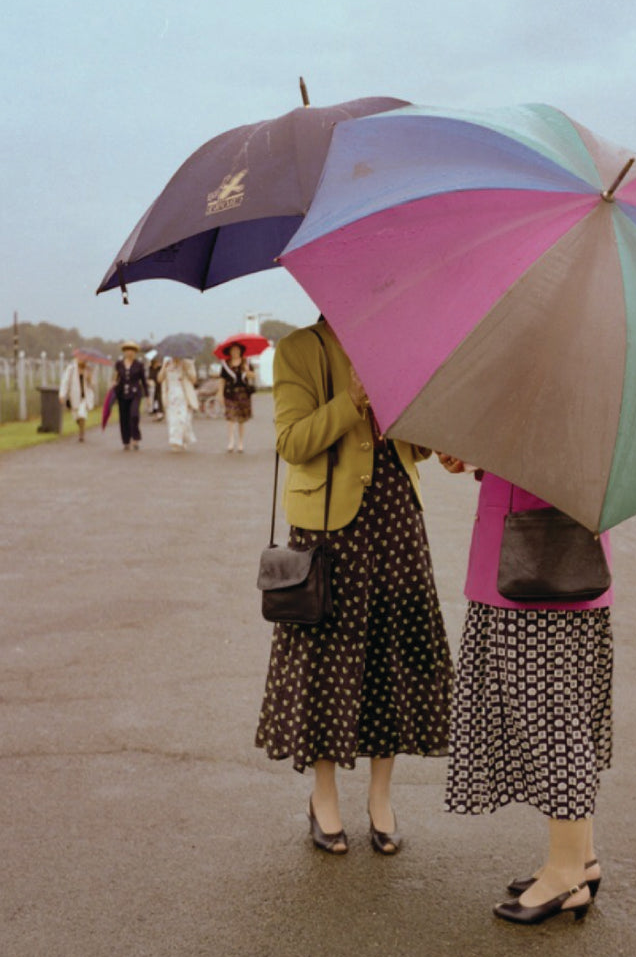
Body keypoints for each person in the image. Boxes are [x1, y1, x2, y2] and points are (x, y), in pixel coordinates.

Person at [254, 320, 452, 856]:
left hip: (396, 521)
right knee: (326, 663)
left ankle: (381, 797)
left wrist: (421, 418)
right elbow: (292, 442)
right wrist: (352, 401)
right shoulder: (300, 350)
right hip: (329, 532)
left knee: (394, 657)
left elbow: (417, 447)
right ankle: (323, 797)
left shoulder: (396, 343)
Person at [440, 458, 614, 925]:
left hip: (540, 571)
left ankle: (566, 878)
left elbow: (553, 456)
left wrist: (489, 454)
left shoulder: (564, 409)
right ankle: (580, 859)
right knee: (564, 719)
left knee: (556, 727)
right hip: (535, 562)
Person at [218, 343, 256, 453]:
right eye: (233, 350)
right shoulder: (226, 364)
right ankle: (231, 441)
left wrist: (246, 370)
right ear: (229, 352)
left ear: (240, 351)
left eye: (237, 350)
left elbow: (253, 376)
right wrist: (220, 393)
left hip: (243, 394)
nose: (235, 352)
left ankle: (240, 442)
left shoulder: (246, 362)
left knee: (241, 420)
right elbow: (222, 380)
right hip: (230, 393)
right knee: (230, 418)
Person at [112, 341, 148, 451]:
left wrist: (147, 396)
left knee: (134, 415)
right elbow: (115, 377)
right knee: (124, 417)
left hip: (135, 393)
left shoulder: (139, 365)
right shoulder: (119, 364)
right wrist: (113, 383)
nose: (129, 352)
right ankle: (126, 440)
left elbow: (143, 380)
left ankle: (135, 438)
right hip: (122, 393)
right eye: (127, 350)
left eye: (132, 350)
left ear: (135, 352)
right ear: (124, 351)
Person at [160, 355, 199, 451]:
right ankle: (175, 442)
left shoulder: (187, 362)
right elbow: (160, 379)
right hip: (171, 395)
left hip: (184, 395)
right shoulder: (166, 361)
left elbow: (194, 380)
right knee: (173, 420)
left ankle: (183, 439)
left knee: (183, 419)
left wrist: (187, 369)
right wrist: (163, 367)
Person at [58, 355, 98, 443]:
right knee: (76, 416)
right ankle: (81, 427)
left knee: (82, 414)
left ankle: (81, 434)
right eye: (81, 359)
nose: (82, 361)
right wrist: (62, 394)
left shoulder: (88, 370)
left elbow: (93, 385)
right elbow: (65, 382)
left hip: (84, 398)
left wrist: (89, 378)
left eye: (84, 359)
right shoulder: (71, 369)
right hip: (74, 397)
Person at [147, 352, 165, 421]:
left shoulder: (160, 368)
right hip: (153, 387)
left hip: (160, 386)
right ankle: (155, 413)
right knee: (154, 400)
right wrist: (149, 381)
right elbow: (148, 377)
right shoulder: (150, 369)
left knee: (159, 399)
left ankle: (160, 413)